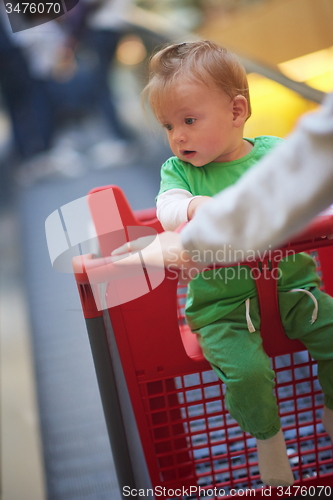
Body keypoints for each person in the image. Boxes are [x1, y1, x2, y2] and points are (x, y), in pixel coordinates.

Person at [111, 41, 333, 487]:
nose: (178, 136)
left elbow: (306, 194)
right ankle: (268, 440)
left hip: (295, 290)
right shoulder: (180, 172)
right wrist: (193, 208)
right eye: (168, 125)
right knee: (248, 373)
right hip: (223, 308)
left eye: (189, 121)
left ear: (236, 112)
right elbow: (167, 209)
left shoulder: (274, 155)